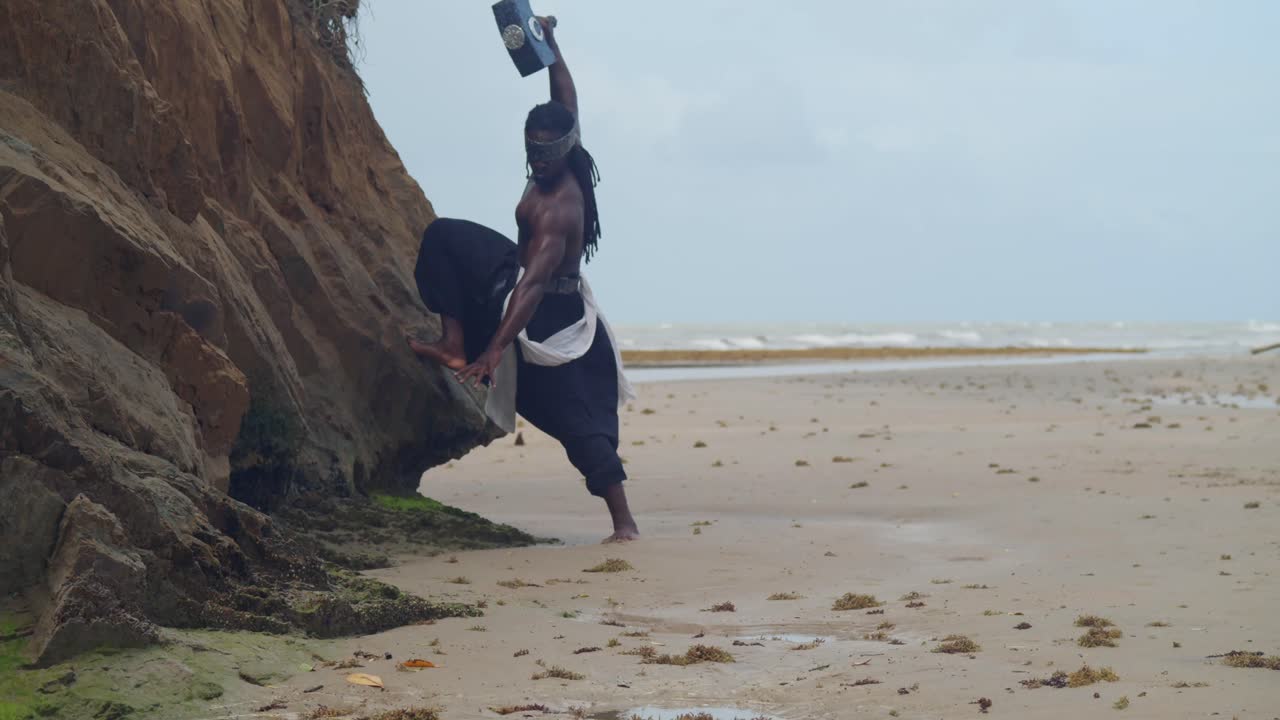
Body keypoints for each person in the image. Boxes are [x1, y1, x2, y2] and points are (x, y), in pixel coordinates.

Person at [408, 17, 639, 543]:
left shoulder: (558, 210)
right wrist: (551, 47)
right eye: (530, 148)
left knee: (578, 424)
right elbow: (565, 99)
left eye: (545, 151)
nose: (536, 158)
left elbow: (532, 286)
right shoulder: (564, 152)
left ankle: (623, 523)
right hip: (517, 270)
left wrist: (494, 352)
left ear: (565, 149)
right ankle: (452, 343)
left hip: (550, 313)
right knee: (445, 237)